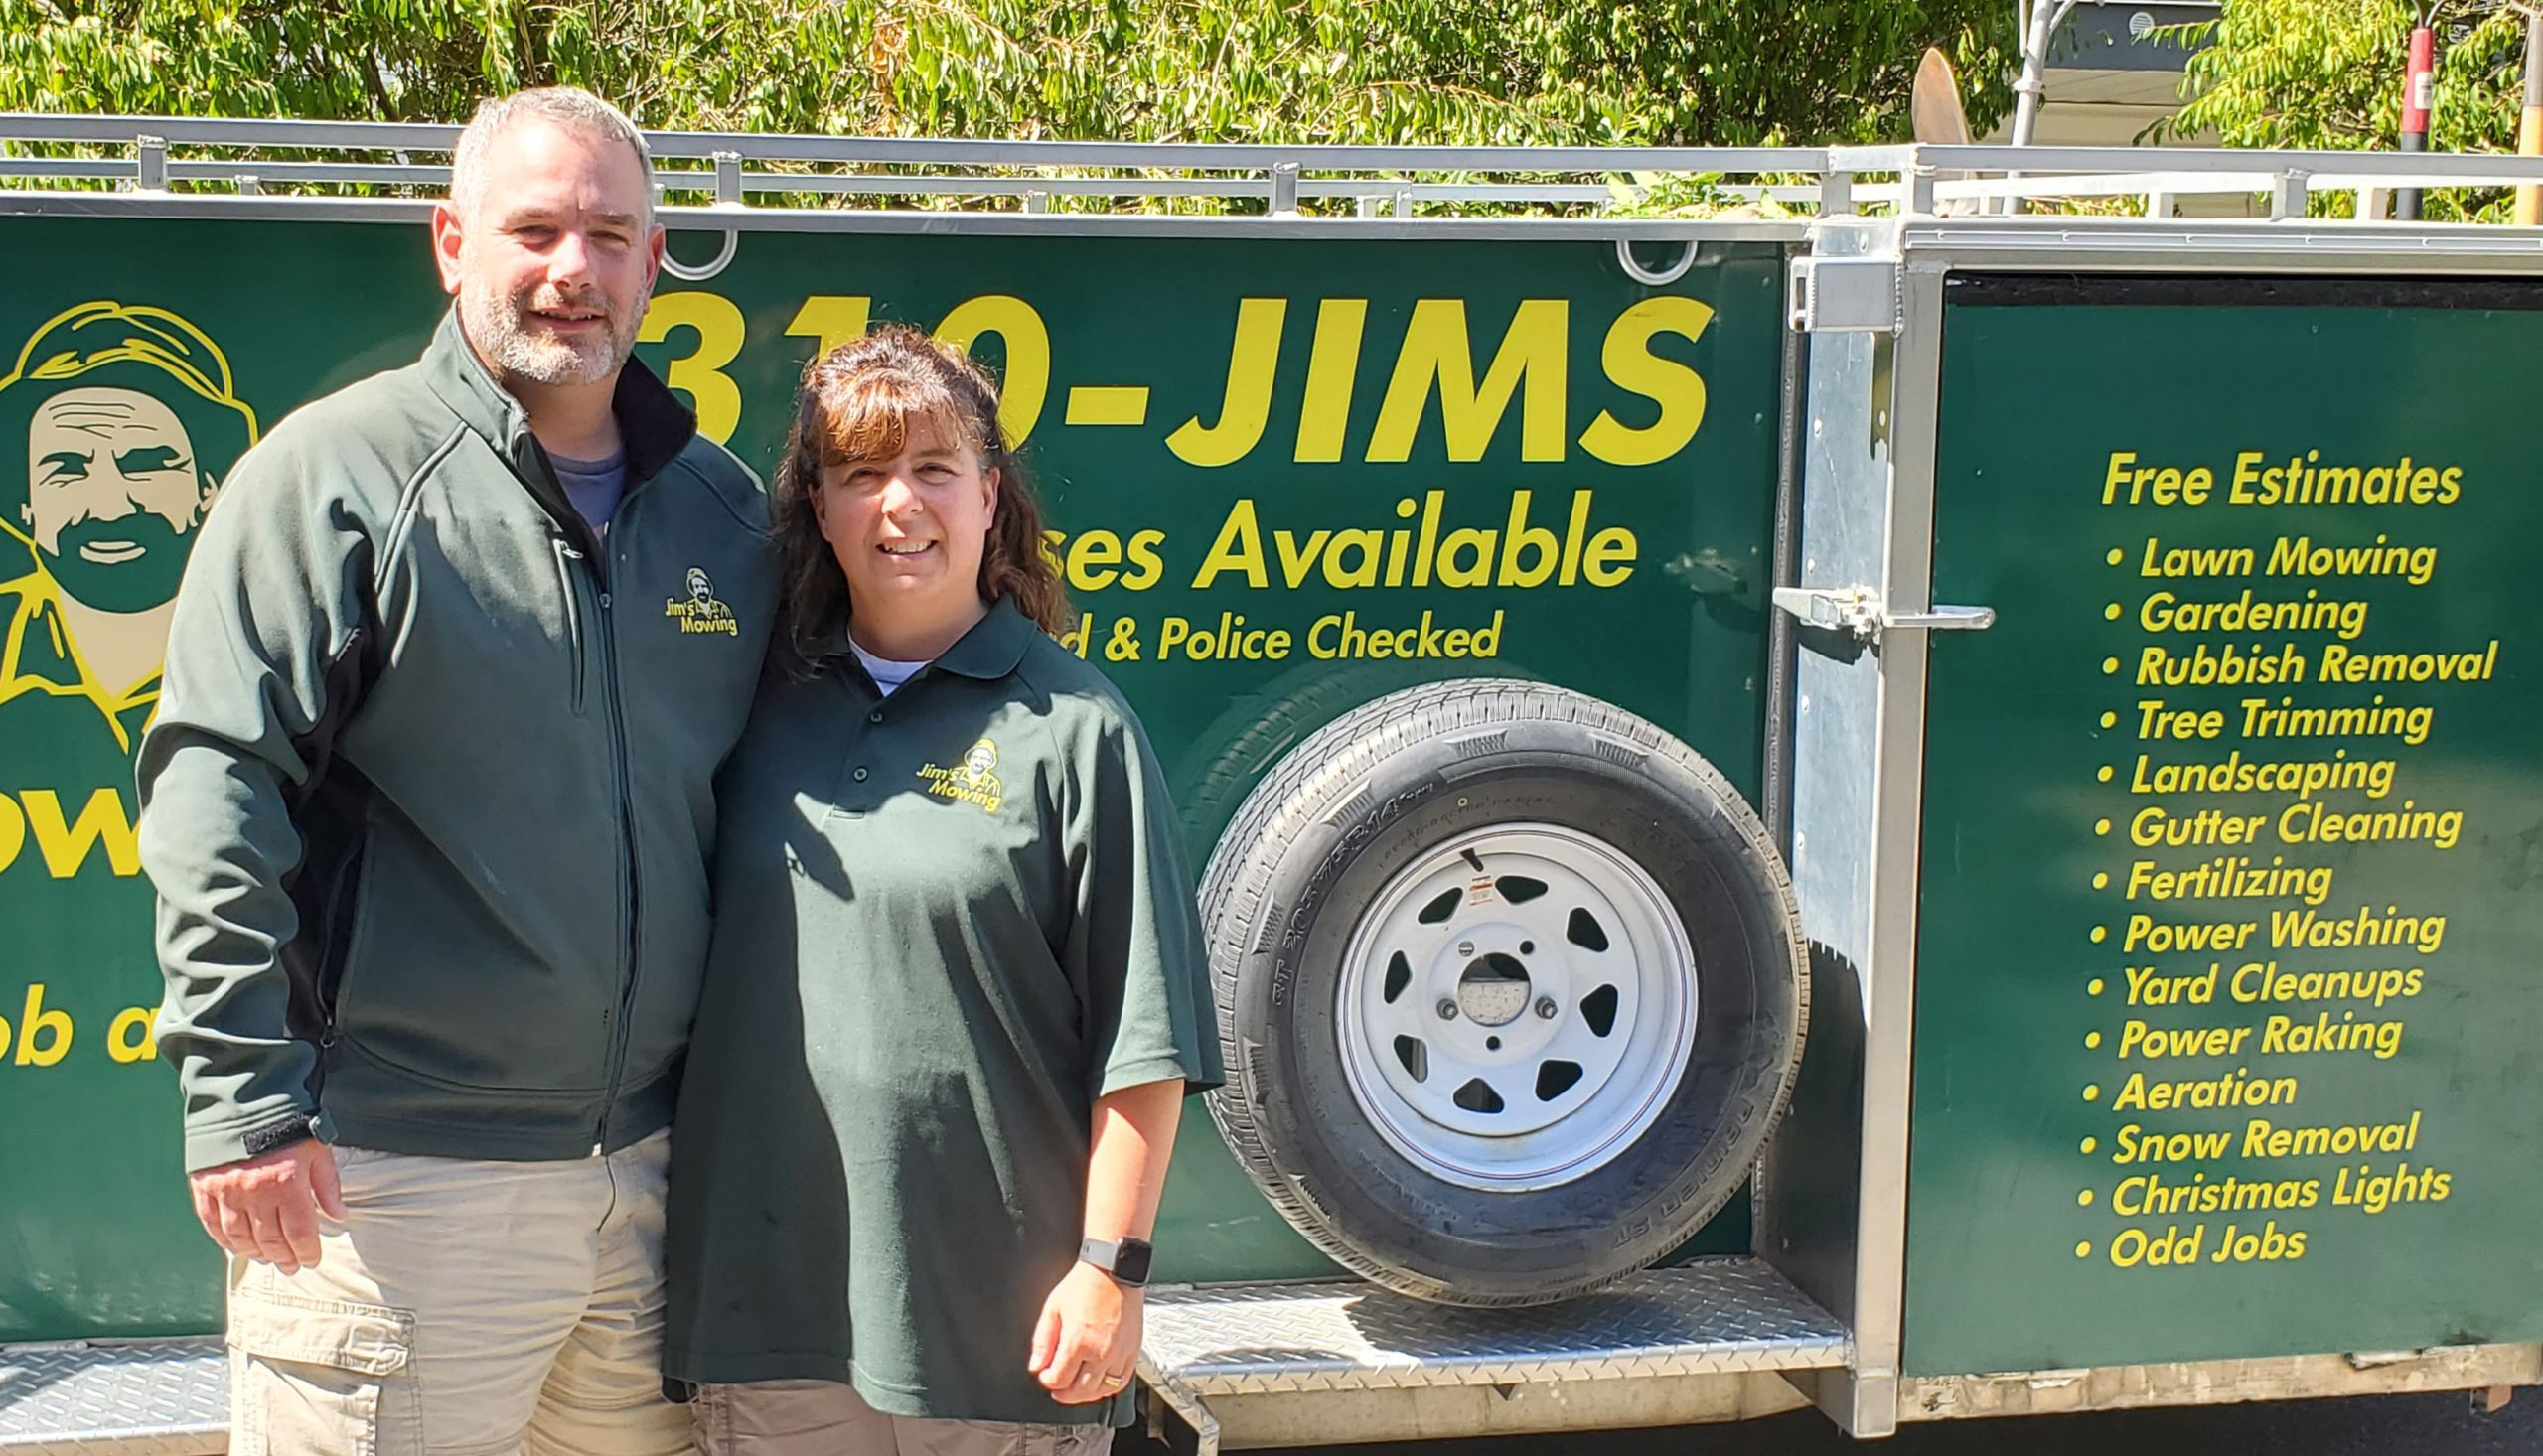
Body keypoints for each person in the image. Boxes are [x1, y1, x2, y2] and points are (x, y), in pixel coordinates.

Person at [137, 86, 774, 1456]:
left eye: (611, 234)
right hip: (393, 1191)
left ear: (655, 258)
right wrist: (244, 1100)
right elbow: (215, 780)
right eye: (534, 228)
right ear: (450, 241)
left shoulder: (722, 514)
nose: (572, 270)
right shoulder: (337, 478)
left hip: (656, 1187)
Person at [663, 327, 1222, 1456]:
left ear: (989, 495)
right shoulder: (742, 709)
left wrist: (1111, 1271)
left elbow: (1145, 1044)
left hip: (996, 1340)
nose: (898, 505)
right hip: (770, 1322)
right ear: (819, 510)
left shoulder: (1074, 729)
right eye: (861, 475)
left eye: (932, 469)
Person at [0, 302, 256, 755]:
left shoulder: (283, 651)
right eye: (67, 469)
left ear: (209, 489)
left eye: (144, 465)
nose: (109, 507)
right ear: (26, 505)